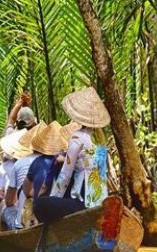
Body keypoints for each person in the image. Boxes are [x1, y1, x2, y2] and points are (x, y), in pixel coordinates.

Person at [35, 87, 111, 223]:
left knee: (40, 205)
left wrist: (54, 199)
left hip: (83, 204)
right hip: (100, 202)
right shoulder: (101, 141)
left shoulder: (77, 137)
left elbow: (65, 174)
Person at [1, 123, 45, 229]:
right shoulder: (55, 163)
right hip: (44, 222)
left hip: (22, 225)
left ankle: (1, 233)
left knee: (5, 208)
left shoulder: (19, 163)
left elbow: (9, 201)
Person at [21, 121, 69, 212]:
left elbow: (27, 191)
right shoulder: (69, 161)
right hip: (62, 208)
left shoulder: (37, 162)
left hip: (42, 210)